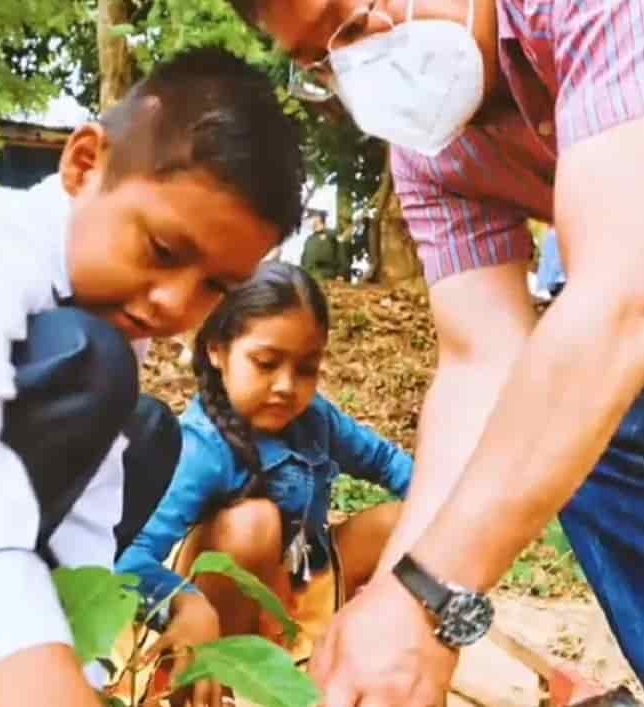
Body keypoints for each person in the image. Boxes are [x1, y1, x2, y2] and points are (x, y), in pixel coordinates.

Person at [224, 0, 644, 705]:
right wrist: (396, 600)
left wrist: (427, 594)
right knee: (579, 428)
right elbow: (481, 363)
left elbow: (619, 295)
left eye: (352, 22)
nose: (356, 65)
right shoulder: (430, 154)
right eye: (322, 62)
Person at [0, 48, 304, 707]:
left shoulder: (114, 324)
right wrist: (23, 672)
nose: (173, 304)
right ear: (83, 165)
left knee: (146, 433)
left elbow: (84, 526)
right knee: (88, 362)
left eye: (214, 286)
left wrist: (88, 673)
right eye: (161, 250)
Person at [116, 261, 413, 707]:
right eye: (266, 363)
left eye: (307, 368)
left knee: (409, 519)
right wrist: (187, 606)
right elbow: (130, 562)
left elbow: (390, 465)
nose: (286, 386)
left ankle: (352, 662)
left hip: (298, 588)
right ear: (217, 351)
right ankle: (215, 691)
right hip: (218, 617)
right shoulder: (202, 448)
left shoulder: (316, 420)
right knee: (253, 522)